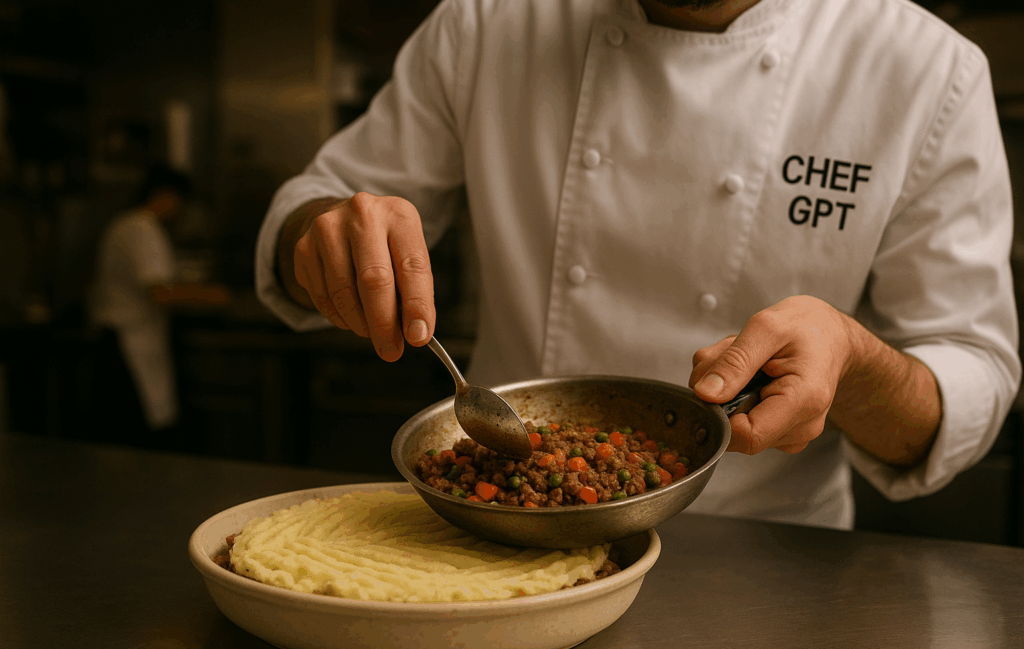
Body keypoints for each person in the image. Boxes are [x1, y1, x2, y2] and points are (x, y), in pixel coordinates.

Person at [254, 0, 1020, 528]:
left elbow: (973, 367)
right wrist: (322, 237)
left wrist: (852, 364)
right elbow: (316, 201)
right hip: (495, 537)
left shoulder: (925, 69)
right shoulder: (487, 20)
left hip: (763, 554)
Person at [88, 163, 228, 445]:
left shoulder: (125, 223)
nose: (181, 211)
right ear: (166, 195)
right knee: (132, 442)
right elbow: (163, 294)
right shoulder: (142, 227)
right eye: (181, 201)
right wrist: (220, 298)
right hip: (128, 348)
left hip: (118, 342)